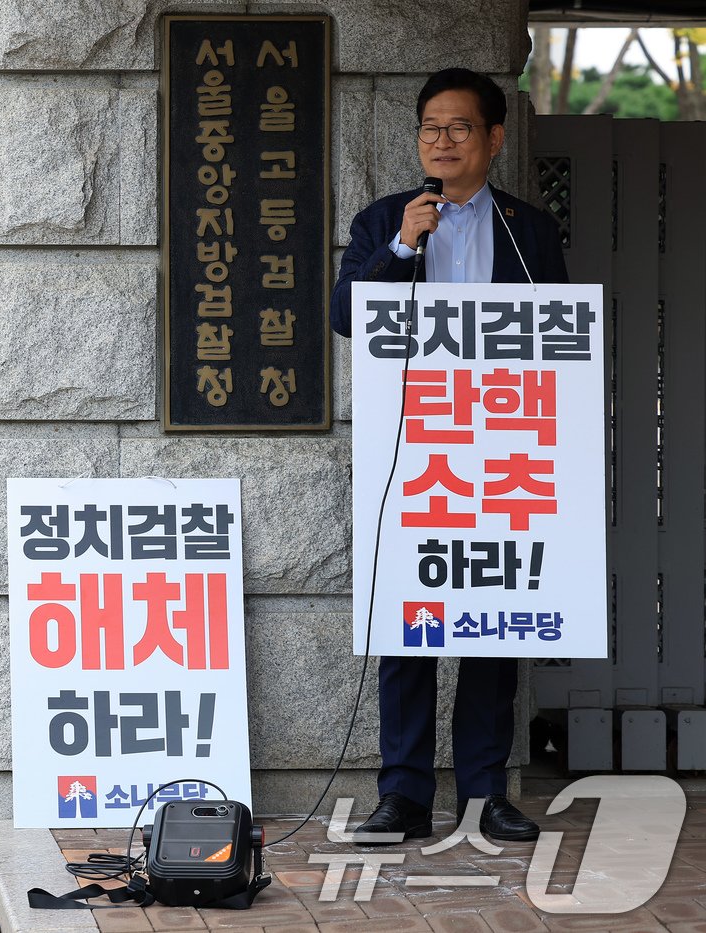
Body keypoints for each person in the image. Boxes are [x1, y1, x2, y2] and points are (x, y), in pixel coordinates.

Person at [329, 68, 569, 845]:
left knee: (492, 625)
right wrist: (404, 245)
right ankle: (402, 795)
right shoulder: (383, 221)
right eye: (431, 127)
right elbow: (347, 318)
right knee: (408, 619)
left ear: (494, 139)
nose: (443, 140)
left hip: (497, 451)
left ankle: (483, 793)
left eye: (460, 127)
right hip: (415, 448)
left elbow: (557, 330)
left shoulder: (530, 231)